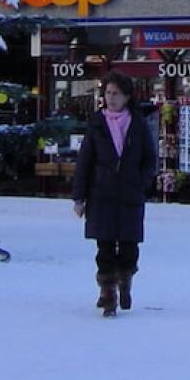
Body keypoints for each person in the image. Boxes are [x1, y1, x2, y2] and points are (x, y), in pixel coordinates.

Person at [72, 72, 156, 317]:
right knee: (105, 247)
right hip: (102, 194)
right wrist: (79, 197)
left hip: (130, 193)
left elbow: (149, 158)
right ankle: (107, 292)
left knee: (129, 247)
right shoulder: (97, 123)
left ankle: (125, 280)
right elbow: (85, 161)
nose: (111, 98)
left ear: (127, 97)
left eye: (116, 94)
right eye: (108, 93)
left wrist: (141, 181)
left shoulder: (138, 124)